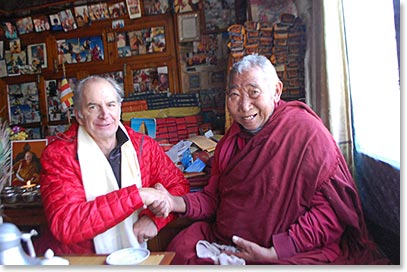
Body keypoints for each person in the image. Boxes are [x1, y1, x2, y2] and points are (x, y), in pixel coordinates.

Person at [150, 54, 390, 264]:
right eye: (234, 95)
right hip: (226, 240)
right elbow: (214, 200)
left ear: (276, 91)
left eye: (254, 93)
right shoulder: (230, 142)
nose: (244, 106)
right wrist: (173, 202)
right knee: (179, 250)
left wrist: (275, 252)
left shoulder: (305, 134)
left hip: (287, 250)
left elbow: (330, 213)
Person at [36, 76, 189, 255]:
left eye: (110, 105)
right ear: (78, 114)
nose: (104, 114)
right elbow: (66, 223)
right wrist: (139, 196)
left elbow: (179, 186)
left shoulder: (143, 146)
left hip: (134, 257)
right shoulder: (59, 155)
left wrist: (155, 219)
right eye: (93, 107)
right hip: (80, 261)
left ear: (119, 108)